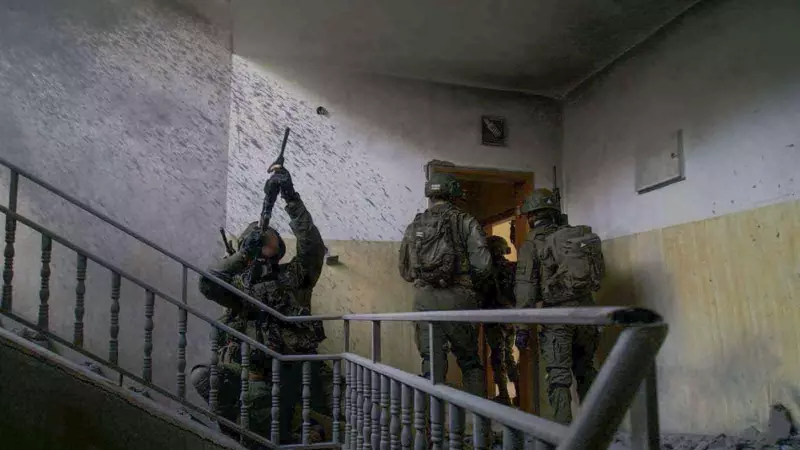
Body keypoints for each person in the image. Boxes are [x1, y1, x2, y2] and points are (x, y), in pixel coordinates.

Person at [190, 166, 330, 446]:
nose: (265, 242)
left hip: (295, 367)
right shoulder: (240, 284)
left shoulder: (294, 276)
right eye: (258, 241)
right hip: (252, 372)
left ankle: (301, 431)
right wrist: (244, 255)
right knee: (204, 378)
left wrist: (291, 197)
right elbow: (208, 283)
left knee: (354, 401)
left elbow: (312, 246)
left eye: (269, 239)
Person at [514, 188, 605, 424]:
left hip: (557, 318)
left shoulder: (532, 244)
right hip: (587, 313)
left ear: (533, 216)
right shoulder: (572, 238)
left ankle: (563, 436)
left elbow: (526, 287)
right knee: (586, 371)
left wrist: (522, 327)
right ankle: (595, 430)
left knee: (559, 377)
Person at [398, 172, 491, 397]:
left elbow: (405, 271)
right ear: (453, 193)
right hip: (459, 300)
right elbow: (484, 265)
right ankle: (479, 429)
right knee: (470, 361)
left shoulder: (414, 225)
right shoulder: (465, 221)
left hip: (424, 302)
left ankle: (431, 428)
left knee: (432, 363)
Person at [481, 235, 520, 406]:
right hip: (511, 316)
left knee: (498, 357)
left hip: (494, 317)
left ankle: (504, 395)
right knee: (509, 356)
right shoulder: (513, 268)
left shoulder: (487, 271)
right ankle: (520, 391)